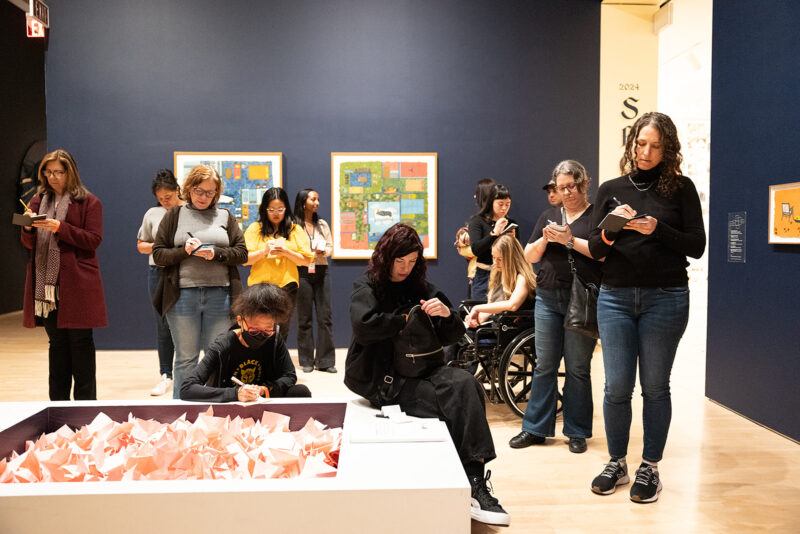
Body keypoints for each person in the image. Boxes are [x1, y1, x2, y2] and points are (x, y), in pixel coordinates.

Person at [345, 223, 510, 527]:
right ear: (387, 257)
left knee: (468, 385)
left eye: (412, 262)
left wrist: (447, 314)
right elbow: (363, 326)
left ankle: (474, 478)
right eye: (400, 261)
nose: (405, 268)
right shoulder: (367, 286)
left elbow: (454, 334)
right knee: (451, 402)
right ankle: (467, 482)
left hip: (423, 370)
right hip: (384, 381)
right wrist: (403, 318)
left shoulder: (420, 287)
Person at [587, 112, 705, 503]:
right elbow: (596, 248)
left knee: (655, 387)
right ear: (631, 143)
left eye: (655, 145)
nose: (646, 152)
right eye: (641, 144)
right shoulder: (611, 188)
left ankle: (649, 467)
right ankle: (616, 462)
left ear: (667, 148)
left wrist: (659, 229)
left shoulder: (681, 189)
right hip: (616, 297)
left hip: (666, 297)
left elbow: (697, 245)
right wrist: (611, 228)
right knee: (616, 386)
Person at [509, 160, 601, 454]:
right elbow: (530, 255)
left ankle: (576, 431)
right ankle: (535, 428)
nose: (566, 193)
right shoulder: (549, 214)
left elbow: (602, 255)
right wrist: (546, 241)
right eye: (561, 188)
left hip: (581, 300)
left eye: (571, 186)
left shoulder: (596, 215)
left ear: (584, 183)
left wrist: (570, 240)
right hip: (548, 297)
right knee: (544, 364)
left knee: (577, 367)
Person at [152, 165, 248, 399]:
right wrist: (184, 251)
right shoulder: (174, 215)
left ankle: (213, 411)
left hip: (221, 295)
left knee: (216, 357)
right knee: (186, 358)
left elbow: (242, 253)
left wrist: (216, 253)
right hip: (183, 296)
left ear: (216, 193)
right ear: (188, 189)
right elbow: (159, 254)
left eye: (210, 192)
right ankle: (182, 413)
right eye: (199, 191)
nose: (204, 197)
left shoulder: (225, 216)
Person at [20, 148, 107, 400]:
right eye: (48, 172)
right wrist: (27, 227)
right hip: (46, 288)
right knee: (56, 346)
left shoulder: (89, 202)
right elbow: (29, 243)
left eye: (58, 172)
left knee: (80, 346)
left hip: (77, 285)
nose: (53, 177)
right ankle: (57, 408)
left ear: (70, 172)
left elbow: (93, 240)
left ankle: (85, 409)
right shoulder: (37, 201)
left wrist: (61, 227)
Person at [180, 284, 311, 402]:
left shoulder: (275, 339)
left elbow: (289, 375)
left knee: (300, 391)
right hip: (231, 407)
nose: (261, 335)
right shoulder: (223, 345)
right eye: (254, 330)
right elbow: (187, 388)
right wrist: (235, 394)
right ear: (240, 321)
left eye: (267, 330)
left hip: (264, 401)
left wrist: (264, 389)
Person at [244, 187, 313, 342]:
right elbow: (245, 260)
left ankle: (276, 363)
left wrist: (286, 251)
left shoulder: (295, 229)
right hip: (259, 287)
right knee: (259, 328)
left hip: (287, 286)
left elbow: (307, 260)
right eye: (271, 209)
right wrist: (264, 251)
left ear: (286, 209)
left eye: (280, 209)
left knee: (282, 330)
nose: (276, 213)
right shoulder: (255, 228)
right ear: (264, 209)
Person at [136, 169, 183, 396]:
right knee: (162, 323)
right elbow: (141, 245)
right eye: (161, 198)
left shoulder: (188, 210)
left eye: (169, 196)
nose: (165, 201)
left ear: (177, 191)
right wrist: (161, 245)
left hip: (185, 271)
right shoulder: (152, 214)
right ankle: (166, 374)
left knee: (187, 322)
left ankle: (189, 373)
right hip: (158, 271)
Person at [293, 188, 336, 373]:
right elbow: (292, 247)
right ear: (303, 202)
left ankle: (326, 361)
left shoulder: (322, 224)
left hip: (321, 270)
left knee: (325, 317)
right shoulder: (293, 225)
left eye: (318, 199)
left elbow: (330, 246)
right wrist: (307, 253)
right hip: (302, 270)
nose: (317, 202)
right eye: (313, 199)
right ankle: (306, 360)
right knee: (304, 318)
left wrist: (322, 251)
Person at [464, 234, 536, 327]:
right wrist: (477, 318)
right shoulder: (498, 273)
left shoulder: (523, 277)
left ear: (511, 258)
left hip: (514, 327)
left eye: (500, 259)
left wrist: (477, 308)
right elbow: (493, 305)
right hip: (499, 324)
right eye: (493, 257)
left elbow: (512, 305)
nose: (495, 262)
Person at [467, 184, 517, 301]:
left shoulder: (511, 223)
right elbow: (476, 249)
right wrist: (494, 234)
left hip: (506, 274)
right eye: (500, 204)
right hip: (484, 274)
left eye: (507, 204)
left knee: (503, 314)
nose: (504, 208)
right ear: (491, 202)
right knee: (481, 311)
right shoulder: (477, 221)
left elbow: (516, 255)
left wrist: (513, 241)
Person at [455, 178, 496, 299]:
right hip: (480, 273)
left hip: (498, 274)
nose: (474, 197)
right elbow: (472, 249)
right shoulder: (476, 221)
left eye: (477, 194)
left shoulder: (505, 222)